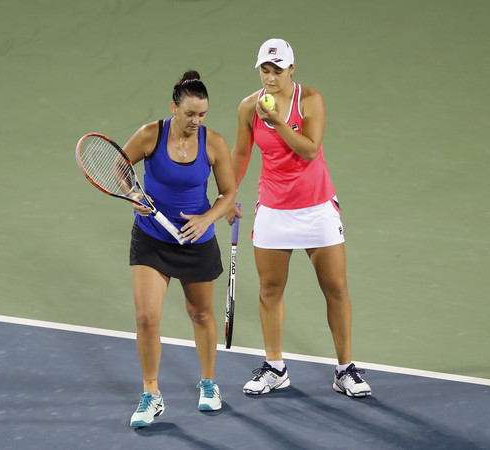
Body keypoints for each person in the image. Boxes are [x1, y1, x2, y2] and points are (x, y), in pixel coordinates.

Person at [226, 38, 371, 397]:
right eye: (265, 70)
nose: (270, 78)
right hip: (274, 210)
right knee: (269, 291)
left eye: (278, 70)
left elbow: (309, 150)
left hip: (317, 208)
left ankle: (344, 370)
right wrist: (227, 194)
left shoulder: (311, 100)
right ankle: (275, 367)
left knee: (336, 288)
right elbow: (241, 153)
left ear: (292, 69)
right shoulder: (248, 107)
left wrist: (277, 122)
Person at [121, 70, 236, 427]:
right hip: (152, 237)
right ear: (174, 107)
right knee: (146, 318)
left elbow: (228, 194)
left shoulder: (213, 143)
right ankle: (151, 394)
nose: (196, 121)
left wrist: (207, 220)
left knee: (200, 314)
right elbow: (120, 167)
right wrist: (132, 194)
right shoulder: (149, 135)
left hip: (194, 241)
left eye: (202, 115)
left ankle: (209, 383)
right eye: (189, 114)